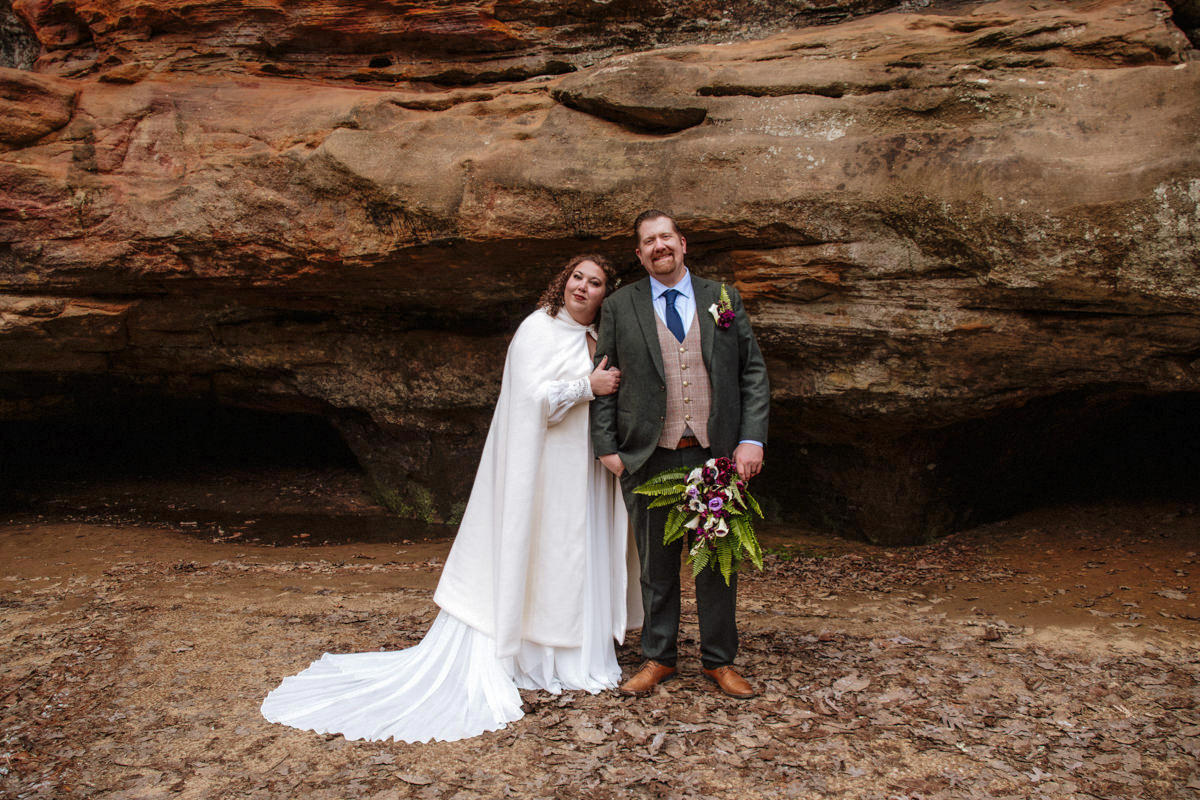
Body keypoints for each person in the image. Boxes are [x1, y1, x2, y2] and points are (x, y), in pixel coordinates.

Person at [261, 255, 641, 743]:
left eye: (595, 283)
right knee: (547, 552)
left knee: (575, 554)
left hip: (585, 470)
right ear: (562, 282)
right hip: (545, 470)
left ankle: (578, 653)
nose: (583, 288)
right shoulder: (536, 328)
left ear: (606, 293)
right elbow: (525, 401)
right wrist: (584, 386)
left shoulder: (596, 338)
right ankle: (536, 655)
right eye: (576, 278)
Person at [590, 210, 769, 700]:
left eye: (665, 237)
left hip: (718, 455)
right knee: (657, 566)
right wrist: (607, 448)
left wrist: (752, 439)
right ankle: (658, 657)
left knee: (717, 563)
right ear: (639, 254)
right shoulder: (621, 306)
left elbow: (752, 373)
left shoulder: (722, 298)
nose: (658, 246)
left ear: (683, 243)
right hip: (649, 456)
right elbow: (604, 379)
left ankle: (719, 661)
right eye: (648, 241)